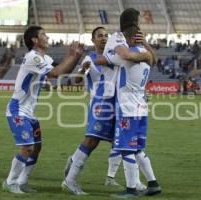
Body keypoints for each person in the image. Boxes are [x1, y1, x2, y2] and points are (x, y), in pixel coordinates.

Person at [61, 9, 153, 195]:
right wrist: (81, 70)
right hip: (100, 103)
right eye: (99, 36)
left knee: (122, 144)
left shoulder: (115, 53)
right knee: (93, 140)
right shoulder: (92, 58)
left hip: (117, 102)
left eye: (105, 35)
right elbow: (77, 80)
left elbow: (133, 71)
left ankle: (124, 181)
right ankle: (70, 179)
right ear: (93, 40)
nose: (103, 38)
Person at [2, 26, 83, 194]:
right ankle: (10, 182)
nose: (47, 36)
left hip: (29, 112)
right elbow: (56, 72)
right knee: (28, 148)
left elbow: (63, 70)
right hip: (17, 111)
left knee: (36, 148)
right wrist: (72, 55)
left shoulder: (44, 57)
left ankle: (22, 181)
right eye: (43, 34)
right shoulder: (33, 58)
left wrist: (76, 57)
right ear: (34, 40)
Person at [106, 25, 161, 198]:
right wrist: (145, 45)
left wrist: (113, 44)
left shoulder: (127, 56)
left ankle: (130, 190)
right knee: (137, 150)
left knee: (125, 149)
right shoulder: (147, 55)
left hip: (127, 108)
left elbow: (108, 57)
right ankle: (153, 183)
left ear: (128, 39)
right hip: (141, 108)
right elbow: (154, 58)